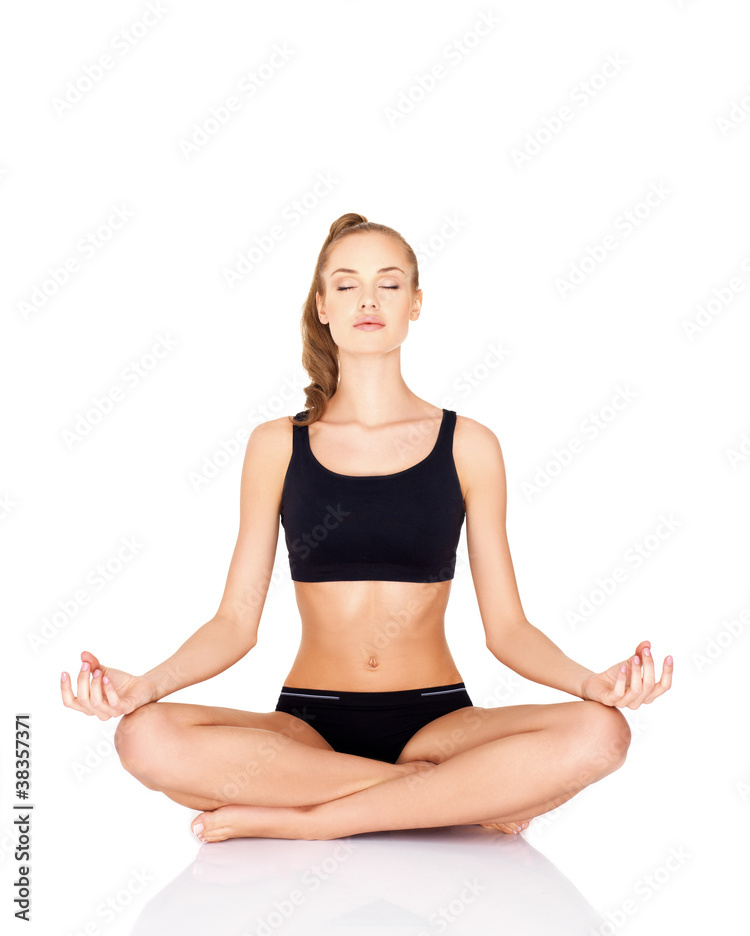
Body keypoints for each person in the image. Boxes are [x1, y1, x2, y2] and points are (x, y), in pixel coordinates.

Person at [60, 213, 673, 843]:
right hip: (308, 727)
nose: (369, 299)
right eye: (348, 285)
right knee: (143, 737)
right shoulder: (277, 445)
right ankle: (449, 798)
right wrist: (146, 685)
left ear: (415, 304)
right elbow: (235, 624)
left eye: (389, 283)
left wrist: (589, 682)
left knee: (602, 733)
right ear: (322, 306)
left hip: (438, 725)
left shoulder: (469, 445)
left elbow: (508, 630)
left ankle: (307, 822)